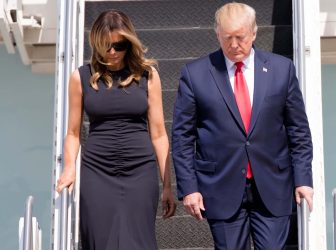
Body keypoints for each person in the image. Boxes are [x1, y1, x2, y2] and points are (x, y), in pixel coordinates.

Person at [172, 2, 313, 249]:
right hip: (220, 186)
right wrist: (189, 187)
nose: (234, 45)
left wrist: (303, 178)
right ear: (217, 34)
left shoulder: (282, 69)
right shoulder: (195, 74)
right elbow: (182, 136)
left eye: (241, 37)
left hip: (273, 184)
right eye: (227, 38)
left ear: (254, 33)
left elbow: (298, 129)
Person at [56, 9, 176, 250]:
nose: (112, 52)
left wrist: (167, 184)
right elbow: (72, 133)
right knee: (101, 240)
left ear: (129, 43)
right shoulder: (81, 77)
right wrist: (69, 168)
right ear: (96, 44)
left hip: (140, 170)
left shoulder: (147, 75)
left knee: (138, 242)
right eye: (105, 46)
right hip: (97, 171)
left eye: (119, 45)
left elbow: (159, 133)